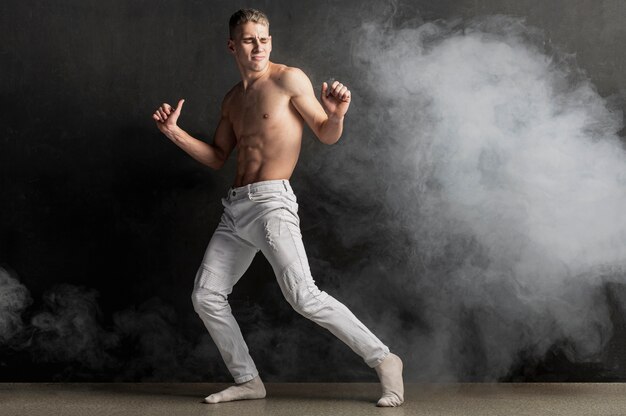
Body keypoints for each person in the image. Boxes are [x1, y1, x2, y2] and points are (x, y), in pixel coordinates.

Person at [151, 8, 404, 407]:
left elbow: (325, 132)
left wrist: (337, 115)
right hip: (235, 210)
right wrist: (174, 133)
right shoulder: (233, 99)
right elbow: (218, 156)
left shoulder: (288, 78)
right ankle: (248, 380)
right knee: (206, 296)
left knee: (303, 296)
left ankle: (385, 360)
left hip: (272, 203)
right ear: (233, 45)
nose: (259, 47)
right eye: (250, 40)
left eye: (264, 39)